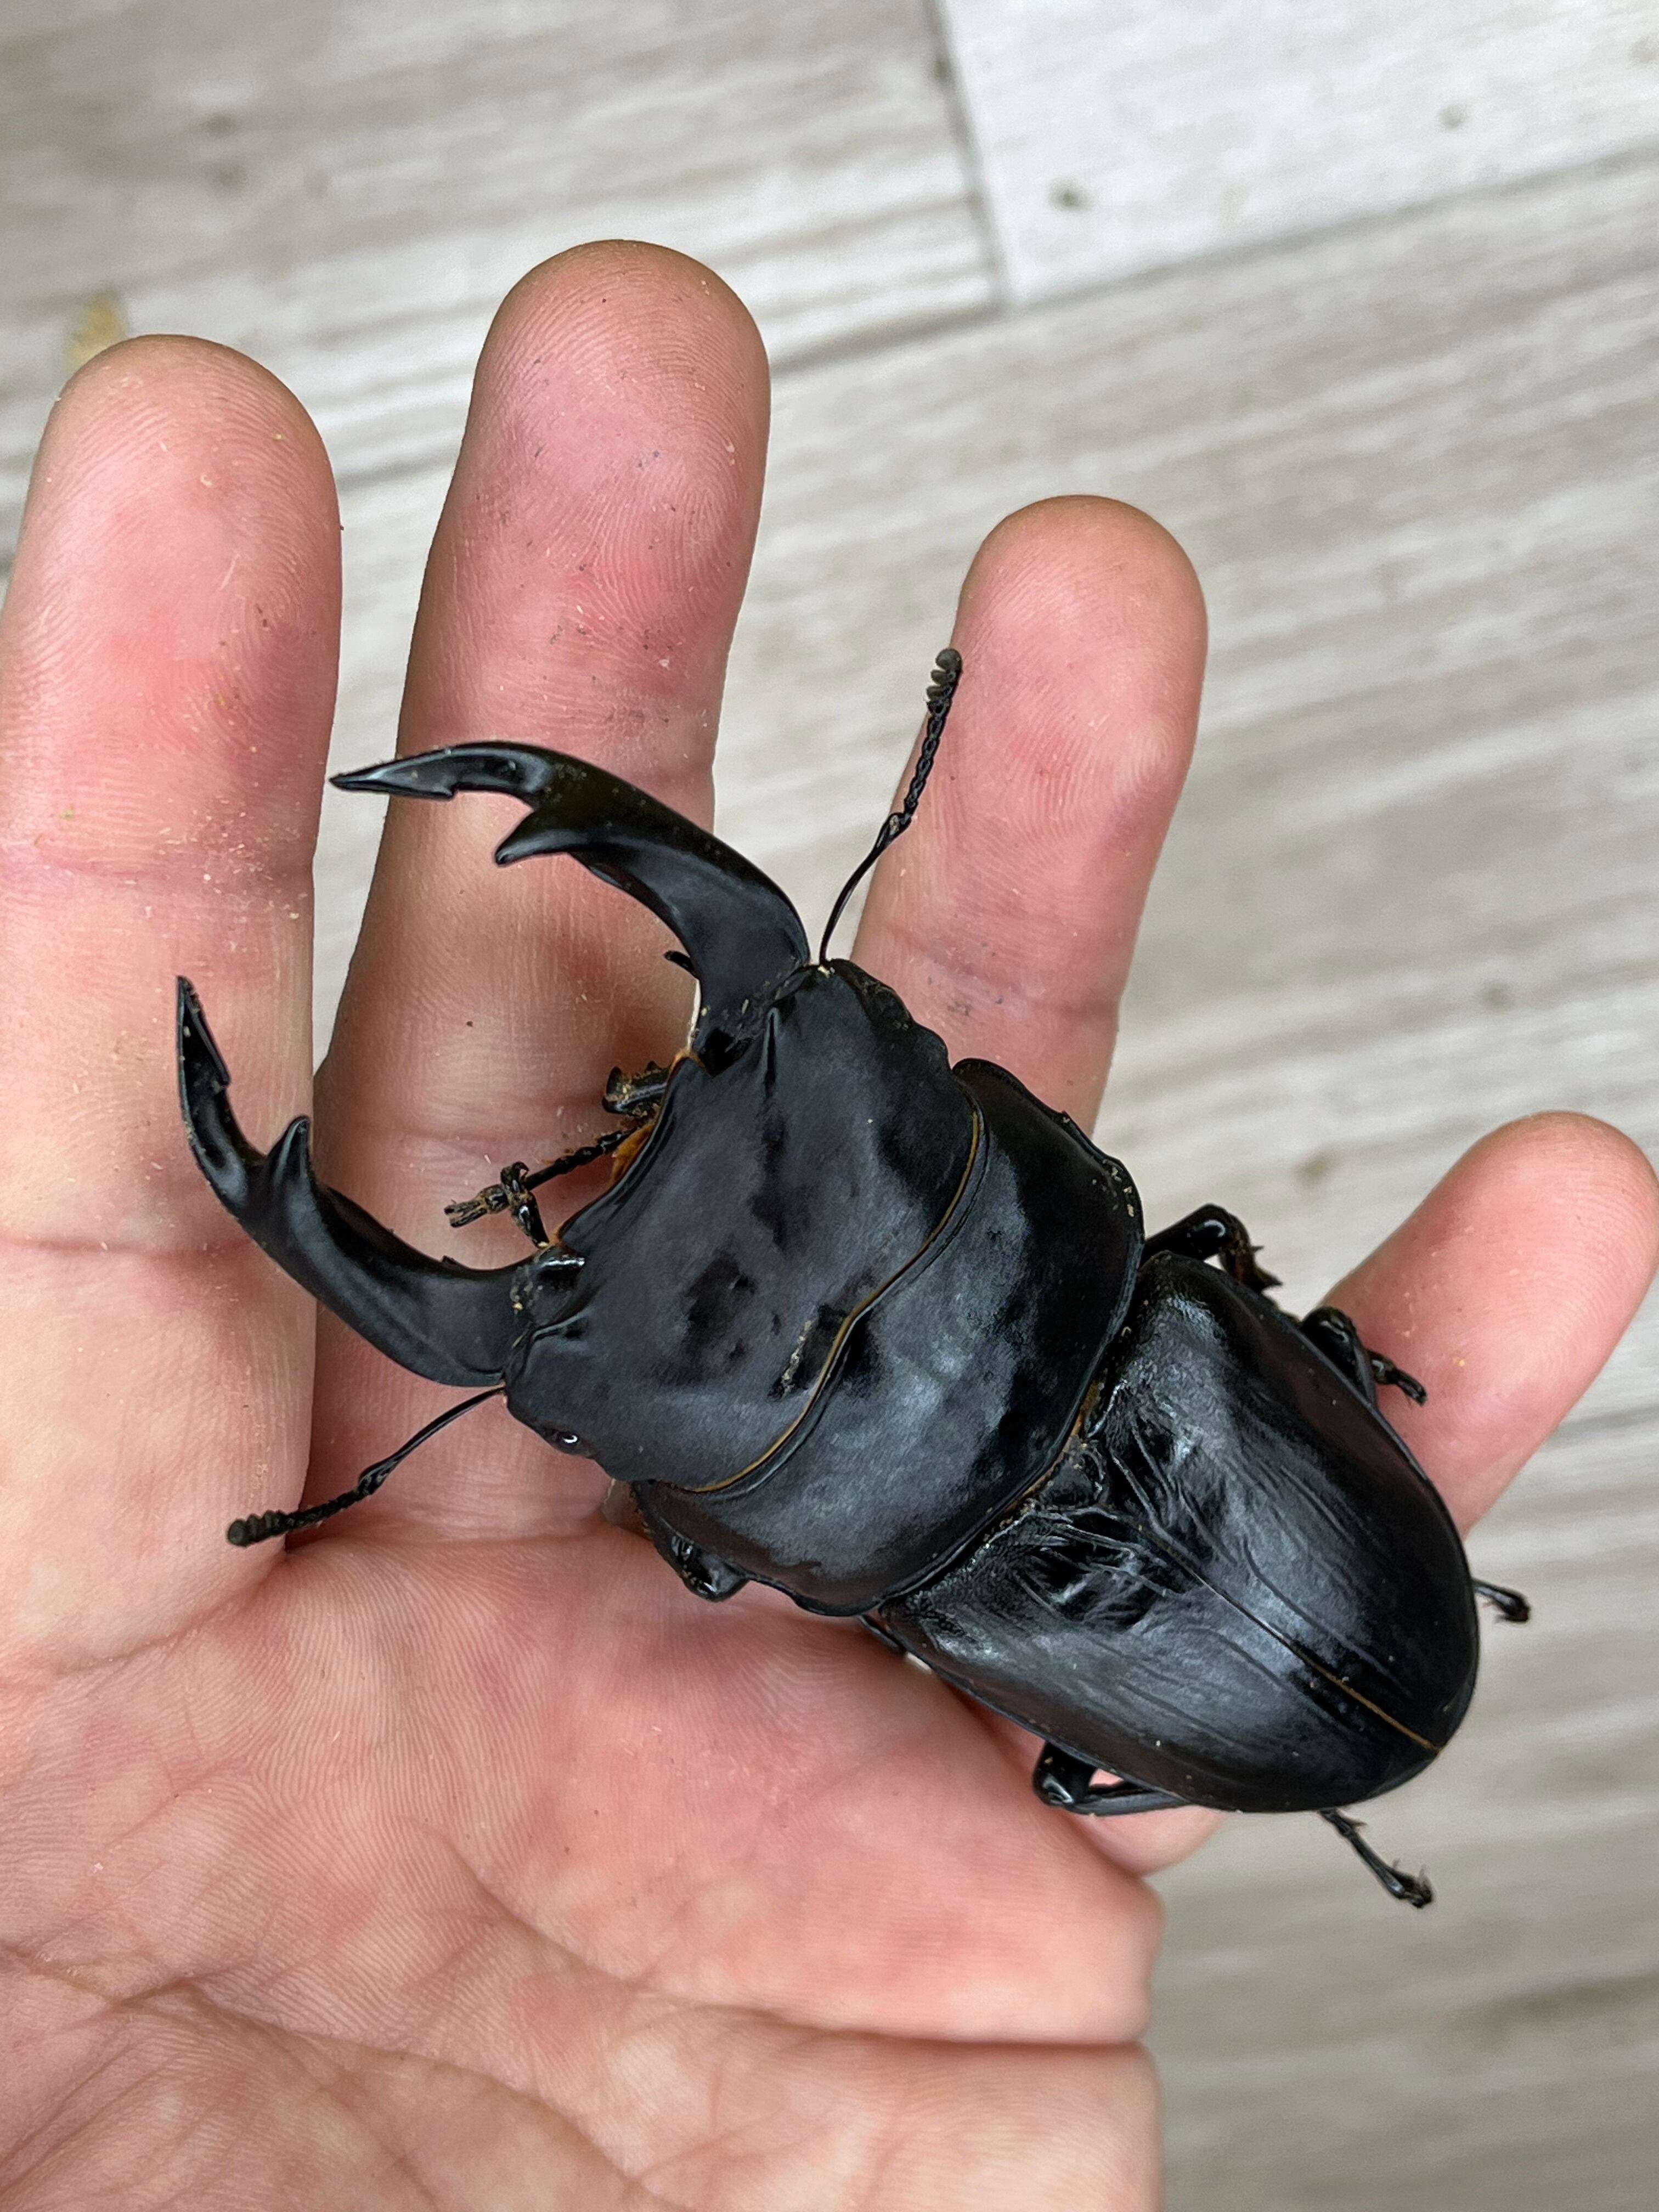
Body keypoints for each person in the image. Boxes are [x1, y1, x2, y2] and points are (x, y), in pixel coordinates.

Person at [2, 241, 1654, 2209]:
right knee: (1205, 1283)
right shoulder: (982, 1543)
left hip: (1186, 1514)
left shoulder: (1124, 1347)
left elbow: (1167, 1258)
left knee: (1202, 1271)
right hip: (1094, 1551)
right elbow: (1169, 1274)